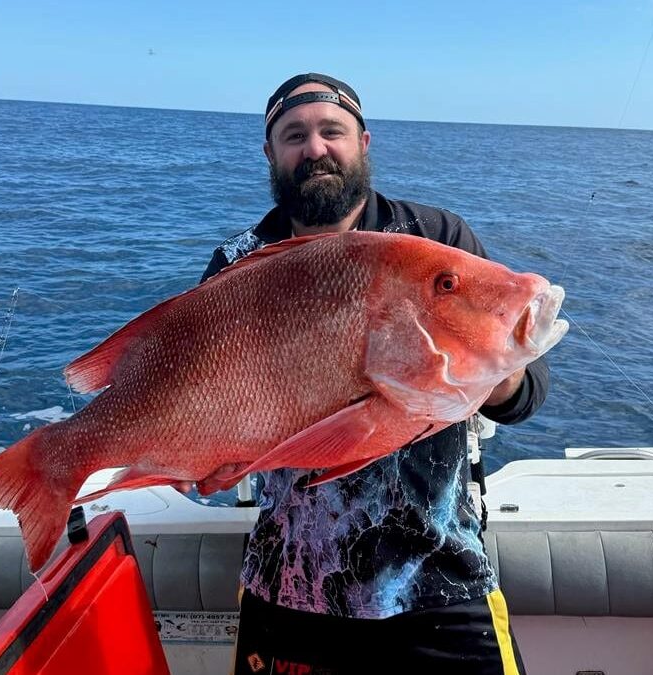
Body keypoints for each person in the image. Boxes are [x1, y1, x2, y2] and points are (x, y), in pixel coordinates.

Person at [201, 73, 548, 675]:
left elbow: (525, 394)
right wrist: (205, 455)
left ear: (363, 142)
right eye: (294, 135)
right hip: (292, 584)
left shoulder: (434, 240)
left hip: (439, 581)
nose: (315, 149)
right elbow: (204, 394)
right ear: (270, 154)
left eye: (331, 131)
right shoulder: (238, 263)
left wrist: (487, 370)